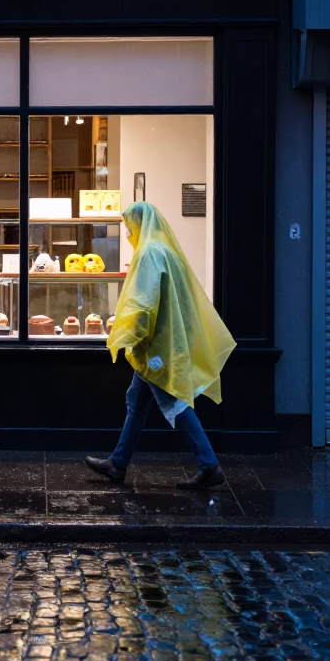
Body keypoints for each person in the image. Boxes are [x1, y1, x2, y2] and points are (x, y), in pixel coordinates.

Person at [85, 201, 237, 489]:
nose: (128, 232)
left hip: (156, 346)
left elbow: (144, 303)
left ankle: (208, 465)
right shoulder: (165, 249)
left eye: (129, 226)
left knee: (173, 401)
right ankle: (118, 464)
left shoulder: (149, 253)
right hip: (168, 341)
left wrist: (135, 337)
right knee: (136, 401)